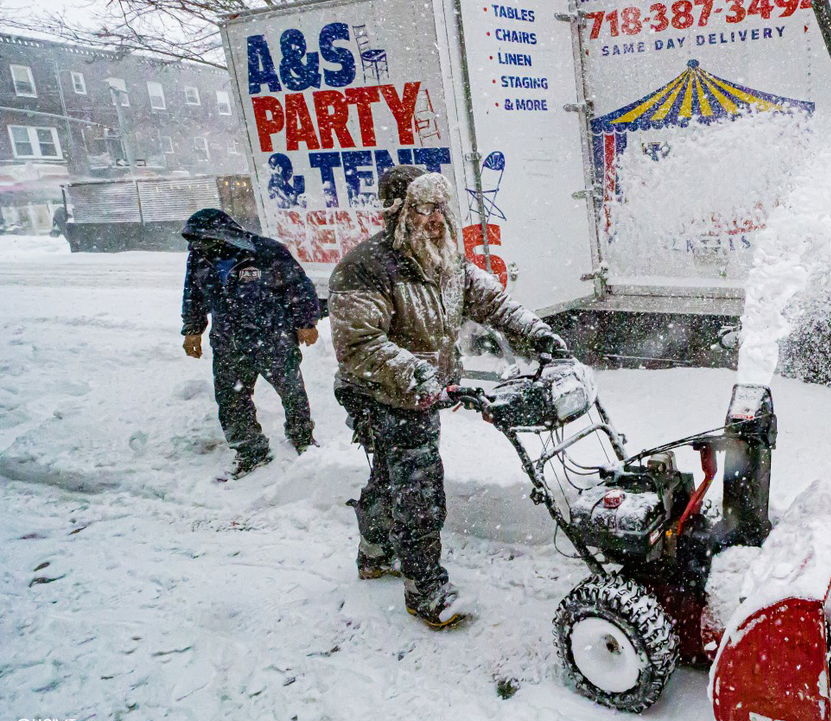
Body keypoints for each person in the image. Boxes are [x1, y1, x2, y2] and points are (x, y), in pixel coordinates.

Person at [329, 165, 566, 630]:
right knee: (419, 488)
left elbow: (492, 303)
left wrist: (537, 334)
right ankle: (426, 590)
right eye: (424, 208)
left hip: (423, 391)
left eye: (442, 207)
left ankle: (375, 550)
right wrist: (416, 372)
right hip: (379, 392)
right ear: (398, 213)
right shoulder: (365, 269)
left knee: (392, 476)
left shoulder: (446, 259)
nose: (437, 218)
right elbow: (358, 344)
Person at [180, 208, 321, 479]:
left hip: (272, 337)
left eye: (203, 239)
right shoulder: (199, 258)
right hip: (228, 341)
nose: (198, 246)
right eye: (194, 241)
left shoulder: (266, 251)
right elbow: (192, 294)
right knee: (231, 398)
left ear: (222, 235)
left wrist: (306, 323)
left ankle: (303, 438)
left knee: (291, 392)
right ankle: (250, 451)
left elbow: (299, 287)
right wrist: (193, 329)